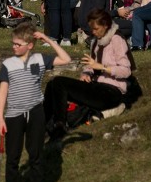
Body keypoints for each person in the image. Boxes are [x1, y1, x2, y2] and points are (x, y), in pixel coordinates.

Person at [0, 22, 71, 182]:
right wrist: (0, 118)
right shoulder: (7, 64)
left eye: (18, 44)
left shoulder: (40, 59)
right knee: (13, 155)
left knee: (35, 153)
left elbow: (66, 59)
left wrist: (46, 38)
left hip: (36, 113)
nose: (14, 47)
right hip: (14, 115)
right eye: (13, 43)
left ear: (29, 45)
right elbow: (3, 92)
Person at [44, 9, 132, 140]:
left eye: (96, 29)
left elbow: (126, 71)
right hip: (96, 86)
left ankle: (60, 126)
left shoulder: (117, 40)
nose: (93, 32)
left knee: (59, 82)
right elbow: (90, 65)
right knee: (52, 84)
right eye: (92, 29)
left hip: (111, 92)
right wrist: (86, 73)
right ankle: (44, 124)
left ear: (106, 26)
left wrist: (102, 67)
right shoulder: (96, 42)